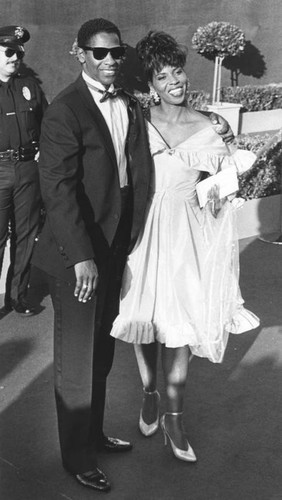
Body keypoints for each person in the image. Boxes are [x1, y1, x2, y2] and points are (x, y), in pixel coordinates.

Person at [110, 31, 260, 463]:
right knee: (144, 320)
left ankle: (174, 417)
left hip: (189, 235)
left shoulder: (213, 124)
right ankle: (151, 392)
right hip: (143, 233)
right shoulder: (137, 121)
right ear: (149, 84)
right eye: (162, 75)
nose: (173, 80)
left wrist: (217, 192)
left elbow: (230, 180)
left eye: (177, 70)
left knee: (180, 327)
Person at [31, 18, 153, 493]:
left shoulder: (126, 102)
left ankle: (94, 435)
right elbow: (57, 190)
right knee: (77, 361)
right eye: (98, 53)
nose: (108, 61)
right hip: (75, 255)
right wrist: (82, 256)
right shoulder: (64, 109)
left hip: (113, 244)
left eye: (115, 53)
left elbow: (138, 167)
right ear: (78, 53)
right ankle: (77, 458)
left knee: (102, 353)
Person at [0, 25, 48, 316]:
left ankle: (17, 296)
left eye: (18, 52)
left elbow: (48, 122)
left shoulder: (28, 84)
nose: (14, 57)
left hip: (28, 168)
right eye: (7, 51)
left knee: (26, 233)